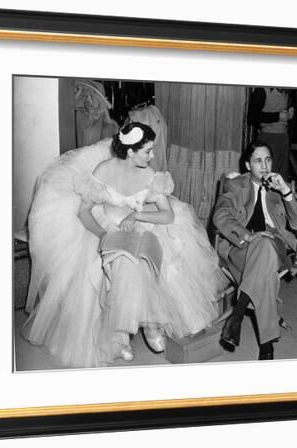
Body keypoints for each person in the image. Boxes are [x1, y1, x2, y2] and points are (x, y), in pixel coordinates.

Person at [22, 122, 226, 368]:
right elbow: (84, 213)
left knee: (143, 260)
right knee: (121, 264)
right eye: (147, 151)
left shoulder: (150, 175)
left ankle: (151, 324)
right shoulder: (103, 171)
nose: (152, 156)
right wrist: (102, 235)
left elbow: (167, 215)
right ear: (130, 151)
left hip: (143, 224)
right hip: (104, 228)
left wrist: (138, 216)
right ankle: (119, 336)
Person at [213, 141, 297, 360]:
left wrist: (286, 191)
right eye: (258, 161)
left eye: (268, 160)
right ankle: (266, 346)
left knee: (266, 245)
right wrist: (247, 235)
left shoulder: (281, 187)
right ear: (248, 165)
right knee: (265, 274)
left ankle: (237, 313)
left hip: (274, 245)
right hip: (242, 247)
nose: (264, 166)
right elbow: (220, 216)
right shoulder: (236, 185)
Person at [247, 87, 294, 180]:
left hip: (283, 137)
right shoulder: (262, 91)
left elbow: (283, 114)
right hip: (268, 138)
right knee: (266, 175)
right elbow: (252, 117)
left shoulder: (286, 91)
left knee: (282, 175)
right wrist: (277, 116)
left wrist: (289, 115)